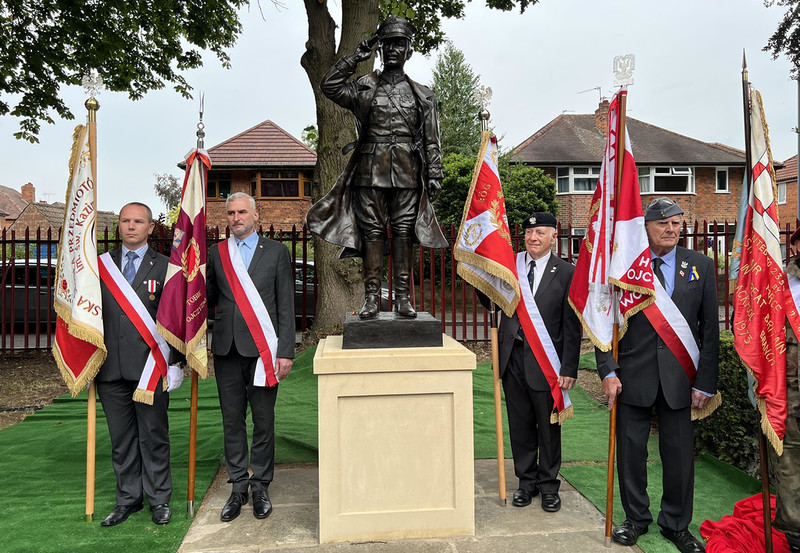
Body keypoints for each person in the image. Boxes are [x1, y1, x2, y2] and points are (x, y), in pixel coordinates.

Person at [597, 197, 719, 553]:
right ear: (645, 227)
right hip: (631, 376)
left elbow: (709, 330)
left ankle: (676, 525)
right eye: (662, 223)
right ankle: (635, 520)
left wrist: (705, 381)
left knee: (679, 456)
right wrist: (607, 369)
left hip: (681, 376)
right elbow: (602, 321)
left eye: (677, 224)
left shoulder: (701, 266)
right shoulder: (623, 266)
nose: (670, 229)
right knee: (631, 454)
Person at [306, 14, 448, 319]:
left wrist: (434, 174)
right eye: (387, 44)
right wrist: (356, 56)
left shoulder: (423, 94)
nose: (393, 50)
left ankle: (402, 298)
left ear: (409, 50)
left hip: (409, 173)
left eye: (400, 44)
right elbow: (329, 86)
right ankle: (371, 297)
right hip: (369, 172)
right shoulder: (363, 87)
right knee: (371, 233)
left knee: (403, 234)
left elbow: (431, 138)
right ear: (380, 49)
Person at [207, 192, 295, 522]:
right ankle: (238, 486)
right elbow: (210, 298)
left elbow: (285, 305)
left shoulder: (276, 252)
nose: (236, 218)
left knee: (262, 421)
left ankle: (260, 485)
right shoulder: (217, 253)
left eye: (242, 212)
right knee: (232, 421)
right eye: (230, 213)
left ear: (256, 216)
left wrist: (285, 350)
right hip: (227, 349)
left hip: (263, 351)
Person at [96, 202, 184, 527]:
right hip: (110, 368)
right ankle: (128, 499)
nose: (131, 226)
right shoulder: (98, 268)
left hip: (151, 368)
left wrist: (176, 362)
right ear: (118, 225)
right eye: (125, 221)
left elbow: (176, 320)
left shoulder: (165, 267)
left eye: (138, 221)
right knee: (121, 440)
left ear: (150, 227)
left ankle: (159, 499)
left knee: (154, 436)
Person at [486, 212, 581, 512]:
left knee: (548, 427)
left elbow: (571, 325)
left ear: (554, 236)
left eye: (540, 232)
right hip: (512, 358)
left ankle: (548, 486)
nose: (533, 238)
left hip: (547, 364)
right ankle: (526, 483)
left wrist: (568, 368)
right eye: (529, 233)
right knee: (520, 425)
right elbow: (490, 299)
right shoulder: (509, 266)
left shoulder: (567, 272)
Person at [776, 229, 800, 553]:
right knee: (790, 467)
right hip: (791, 396)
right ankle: (795, 540)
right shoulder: (779, 284)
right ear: (794, 245)